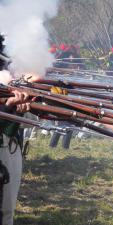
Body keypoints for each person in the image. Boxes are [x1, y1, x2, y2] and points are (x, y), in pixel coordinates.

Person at [0, 33, 31, 225]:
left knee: (6, 213)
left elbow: (30, 123)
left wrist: (17, 110)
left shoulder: (9, 78)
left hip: (9, 148)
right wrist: (7, 107)